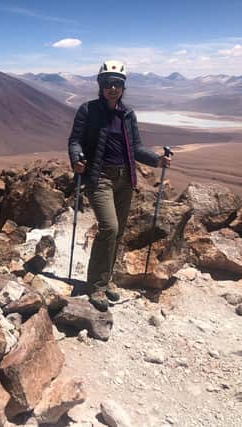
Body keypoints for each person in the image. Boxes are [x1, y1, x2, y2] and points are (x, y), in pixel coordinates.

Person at [68, 60, 171, 311]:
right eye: (107, 84)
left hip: (125, 180)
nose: (112, 88)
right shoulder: (87, 110)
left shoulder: (127, 115)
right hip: (99, 177)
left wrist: (157, 160)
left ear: (123, 87)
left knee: (119, 231)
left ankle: (107, 279)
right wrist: (76, 159)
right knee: (109, 228)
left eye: (117, 84)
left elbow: (135, 148)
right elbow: (75, 141)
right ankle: (96, 285)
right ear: (100, 86)